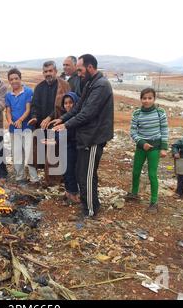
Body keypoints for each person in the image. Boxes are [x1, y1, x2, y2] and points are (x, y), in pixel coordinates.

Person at [51, 54, 114, 218]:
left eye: (80, 69)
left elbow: (87, 113)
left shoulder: (101, 85)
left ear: (90, 67)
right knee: (82, 173)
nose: (78, 73)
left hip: (94, 137)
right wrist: (62, 118)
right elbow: (78, 107)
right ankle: (90, 205)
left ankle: (90, 211)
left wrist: (66, 125)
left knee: (87, 175)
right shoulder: (90, 84)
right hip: (85, 136)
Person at [126, 88, 169, 213]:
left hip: (154, 148)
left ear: (154, 99)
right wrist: (142, 142)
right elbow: (133, 131)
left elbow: (164, 130)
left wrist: (164, 148)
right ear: (141, 99)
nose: (147, 100)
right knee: (135, 172)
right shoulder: (137, 114)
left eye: (149, 98)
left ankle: (154, 202)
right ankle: (134, 193)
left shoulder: (160, 112)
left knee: (152, 174)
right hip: (141, 147)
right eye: (144, 98)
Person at [29, 60, 70, 185]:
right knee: (39, 153)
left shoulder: (64, 86)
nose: (48, 74)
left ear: (56, 71)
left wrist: (50, 117)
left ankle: (55, 181)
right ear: (43, 73)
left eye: (50, 71)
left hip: (57, 125)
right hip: (41, 126)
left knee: (55, 153)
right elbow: (34, 105)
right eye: (45, 71)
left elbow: (65, 106)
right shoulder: (39, 87)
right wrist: (35, 117)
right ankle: (41, 179)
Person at [5, 68, 39, 183]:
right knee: (17, 154)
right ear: (9, 81)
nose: (14, 81)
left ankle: (34, 179)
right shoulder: (8, 95)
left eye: (16, 78)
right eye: (11, 79)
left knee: (29, 153)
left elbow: (28, 109)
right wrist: (9, 121)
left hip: (27, 128)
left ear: (20, 78)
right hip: (14, 129)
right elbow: (8, 111)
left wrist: (20, 120)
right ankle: (20, 177)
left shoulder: (28, 92)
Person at [60, 92, 80, 203]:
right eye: (65, 103)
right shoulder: (63, 118)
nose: (68, 105)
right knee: (65, 171)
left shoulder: (76, 118)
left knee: (70, 170)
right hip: (64, 148)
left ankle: (74, 193)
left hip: (73, 148)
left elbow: (70, 134)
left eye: (71, 103)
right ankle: (68, 191)